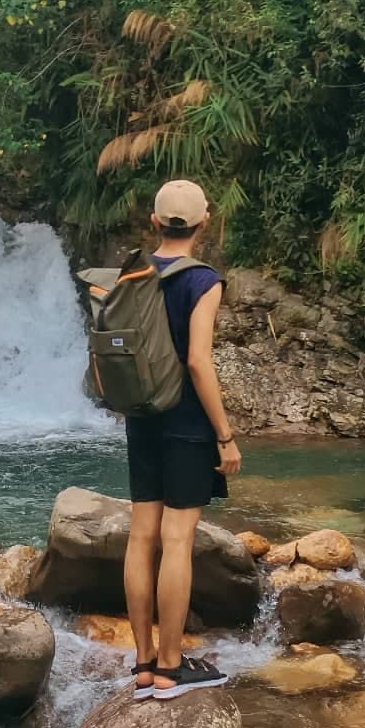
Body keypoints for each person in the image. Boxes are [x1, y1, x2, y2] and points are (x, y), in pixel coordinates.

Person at [124, 179, 242, 700]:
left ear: (154, 223)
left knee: (140, 536)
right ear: (204, 223)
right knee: (177, 542)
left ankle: (144, 665)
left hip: (141, 418)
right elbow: (198, 361)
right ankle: (172, 669)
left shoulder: (134, 272)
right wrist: (225, 435)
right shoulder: (204, 281)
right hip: (187, 425)